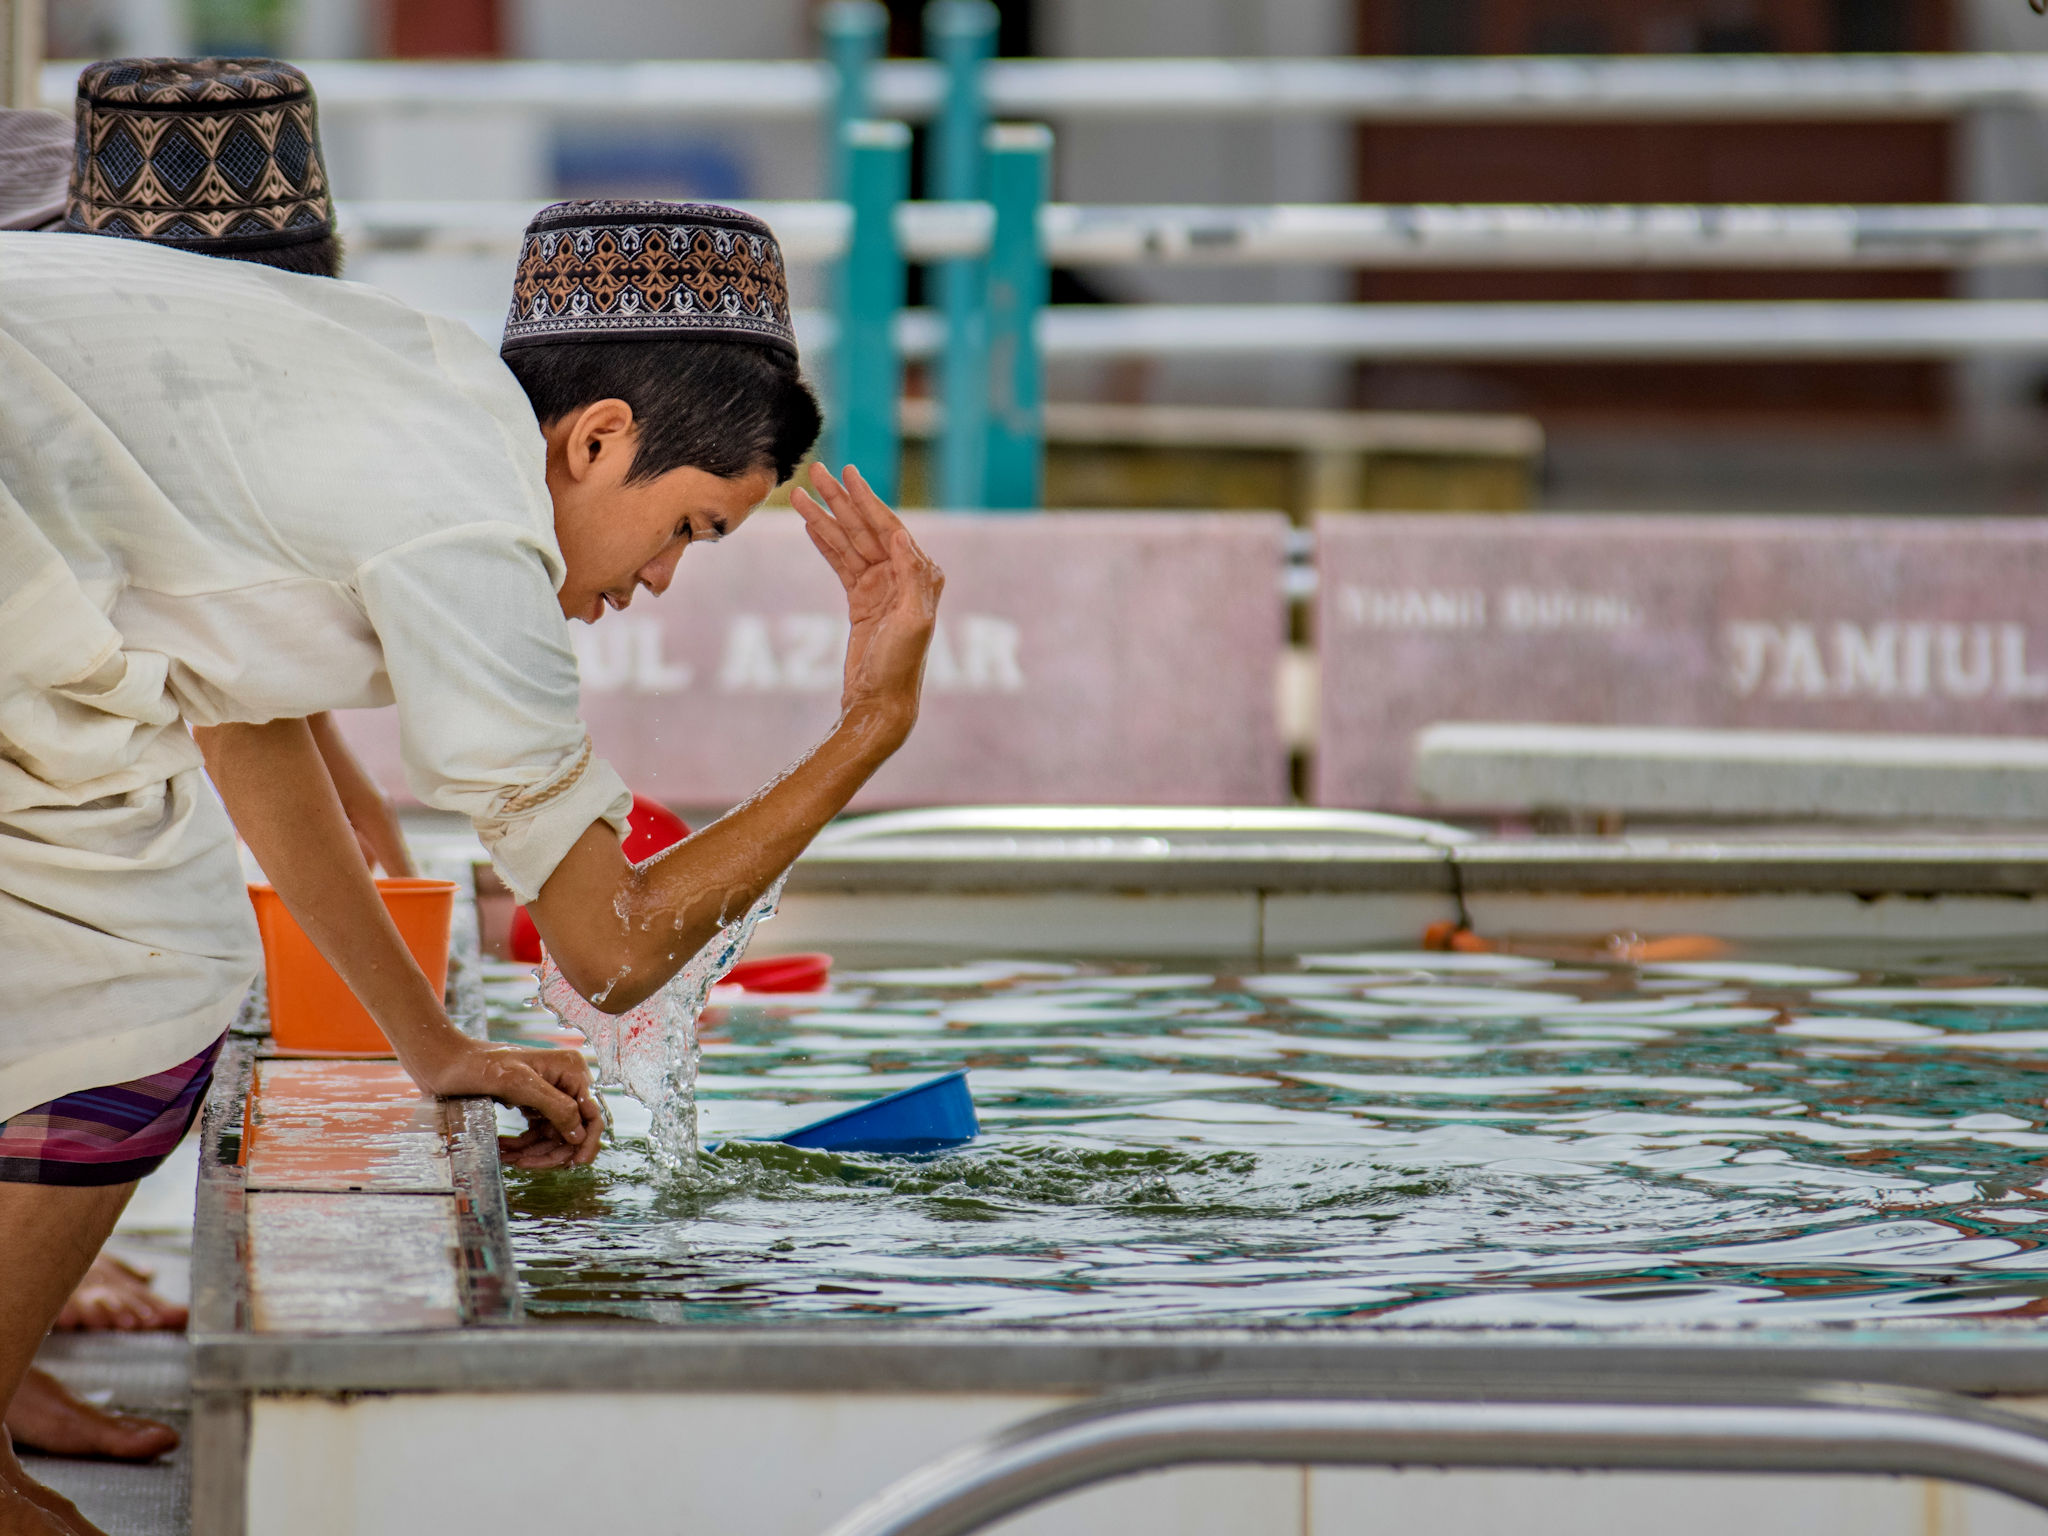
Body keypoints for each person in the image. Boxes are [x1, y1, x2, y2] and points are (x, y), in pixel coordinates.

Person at [0, 111, 943, 1536]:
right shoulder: (474, 526)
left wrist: (428, 1042)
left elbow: (245, 715)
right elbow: (613, 952)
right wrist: (869, 729)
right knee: (150, 974)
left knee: (144, 945)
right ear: (601, 437)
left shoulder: (429, 388)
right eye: (691, 529)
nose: (664, 582)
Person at [0, 59, 418, 1475]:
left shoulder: (166, 327)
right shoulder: (74, 317)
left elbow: (230, 636)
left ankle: (16, 1368)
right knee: (121, 980)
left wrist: (368, 823)